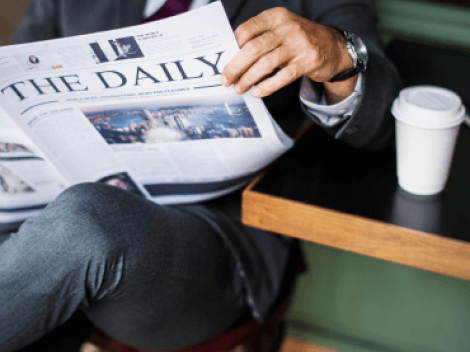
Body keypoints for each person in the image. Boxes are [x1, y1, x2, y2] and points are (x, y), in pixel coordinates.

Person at [1, 0, 401, 351]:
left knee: (81, 225)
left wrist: (339, 54)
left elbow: (383, 120)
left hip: (212, 237)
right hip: (47, 200)